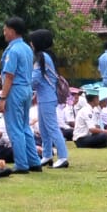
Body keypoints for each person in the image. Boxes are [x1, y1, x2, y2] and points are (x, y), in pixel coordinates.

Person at [0, 17, 42, 174]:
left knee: (14, 128)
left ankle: (21, 164)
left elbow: (10, 75)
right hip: (26, 89)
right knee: (24, 127)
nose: (4, 32)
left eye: (5, 30)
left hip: (14, 90)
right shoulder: (26, 48)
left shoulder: (13, 50)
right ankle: (34, 161)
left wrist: (2, 98)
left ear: (12, 31)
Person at [31, 29, 71, 169]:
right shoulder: (47, 56)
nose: (30, 44)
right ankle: (47, 155)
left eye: (32, 41)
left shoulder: (41, 57)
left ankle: (63, 156)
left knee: (52, 128)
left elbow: (35, 78)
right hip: (45, 97)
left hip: (47, 97)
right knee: (43, 128)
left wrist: (22, 83)